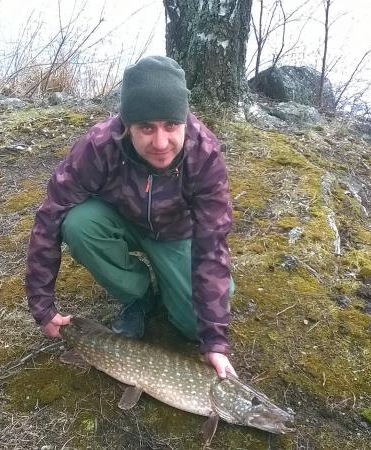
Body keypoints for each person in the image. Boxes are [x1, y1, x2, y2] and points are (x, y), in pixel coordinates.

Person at [24, 56, 236, 378]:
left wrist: (215, 339)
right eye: (146, 127)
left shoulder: (204, 154)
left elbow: (212, 243)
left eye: (171, 125)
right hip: (121, 221)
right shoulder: (99, 146)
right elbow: (50, 217)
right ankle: (138, 294)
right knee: (77, 224)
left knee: (195, 325)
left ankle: (171, 283)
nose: (161, 143)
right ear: (127, 125)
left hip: (177, 235)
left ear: (184, 120)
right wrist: (42, 305)